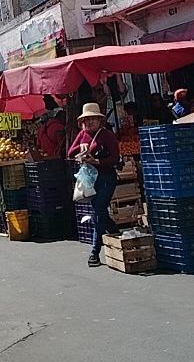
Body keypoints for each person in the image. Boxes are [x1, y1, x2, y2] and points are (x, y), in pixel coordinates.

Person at [68, 103, 120, 268]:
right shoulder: (82, 135)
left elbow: (115, 158)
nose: (89, 122)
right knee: (100, 211)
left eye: (92, 119)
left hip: (106, 178)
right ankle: (113, 230)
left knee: (98, 212)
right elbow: (70, 152)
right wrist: (81, 151)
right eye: (86, 120)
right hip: (90, 181)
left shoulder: (107, 135)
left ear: (99, 120)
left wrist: (96, 161)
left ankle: (94, 252)